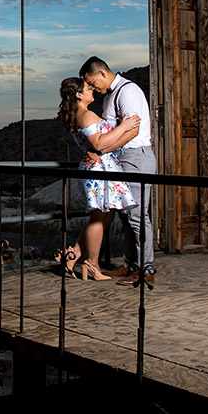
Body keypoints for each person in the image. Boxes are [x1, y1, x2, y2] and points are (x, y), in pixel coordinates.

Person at [79, 56, 156, 286]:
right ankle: (130, 265)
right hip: (122, 158)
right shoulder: (111, 96)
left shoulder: (127, 91)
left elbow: (132, 130)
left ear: (102, 73)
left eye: (92, 83)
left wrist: (101, 151)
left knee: (138, 216)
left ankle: (146, 269)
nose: (92, 88)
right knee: (125, 216)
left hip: (136, 157)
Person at [57, 77, 139, 280]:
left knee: (107, 214)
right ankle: (92, 264)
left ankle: (73, 254)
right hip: (98, 168)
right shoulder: (86, 115)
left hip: (101, 166)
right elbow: (98, 143)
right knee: (99, 215)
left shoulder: (80, 114)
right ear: (78, 94)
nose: (91, 90)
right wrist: (124, 126)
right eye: (87, 88)